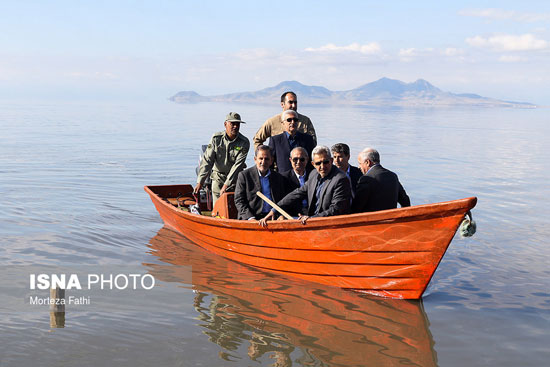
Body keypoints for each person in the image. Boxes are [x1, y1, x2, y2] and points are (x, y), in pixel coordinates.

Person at [259, 145, 351, 226]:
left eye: (325, 162)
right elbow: (297, 193)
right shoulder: (314, 174)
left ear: (331, 161)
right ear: (313, 164)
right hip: (311, 221)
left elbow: (336, 209)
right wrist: (275, 209)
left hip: (331, 225)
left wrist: (311, 219)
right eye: (318, 163)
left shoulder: (340, 179)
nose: (322, 166)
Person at [194, 112, 250, 204]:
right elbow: (207, 161)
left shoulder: (244, 142)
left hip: (235, 180)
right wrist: (200, 181)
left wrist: (226, 185)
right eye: (232, 124)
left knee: (234, 206)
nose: (235, 126)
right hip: (218, 178)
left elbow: (237, 166)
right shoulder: (216, 139)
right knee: (218, 208)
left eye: (237, 124)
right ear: (225, 124)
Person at [234, 145, 286, 220]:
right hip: (252, 218)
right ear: (255, 159)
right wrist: (250, 218)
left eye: (267, 159)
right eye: (260, 158)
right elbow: (239, 200)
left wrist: (281, 215)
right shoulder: (244, 176)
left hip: (273, 217)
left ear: (271, 161)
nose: (263, 162)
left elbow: (282, 200)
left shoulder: (278, 177)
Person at [352, 148, 411, 213]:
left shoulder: (366, 179)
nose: (359, 167)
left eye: (360, 163)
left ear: (368, 162)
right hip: (391, 219)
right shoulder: (393, 176)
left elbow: (357, 206)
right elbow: (405, 201)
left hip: (371, 220)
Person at [280, 147, 310, 216]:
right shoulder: (283, 178)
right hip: (293, 216)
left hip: (313, 215)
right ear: (290, 160)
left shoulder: (313, 176)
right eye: (295, 159)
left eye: (302, 159)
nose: (298, 162)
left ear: (307, 160)